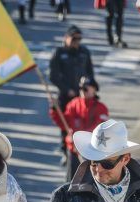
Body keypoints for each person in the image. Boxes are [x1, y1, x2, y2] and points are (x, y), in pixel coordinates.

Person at [49, 75, 110, 180]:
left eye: (86, 88)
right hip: (74, 151)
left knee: (91, 181)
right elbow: (64, 124)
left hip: (92, 152)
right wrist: (55, 109)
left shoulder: (101, 108)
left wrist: (82, 140)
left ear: (94, 89)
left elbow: (100, 129)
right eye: (81, 88)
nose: (83, 91)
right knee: (72, 181)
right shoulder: (73, 104)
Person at [48, 25, 94, 162]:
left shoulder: (84, 52)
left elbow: (90, 72)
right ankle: (65, 149)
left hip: (82, 96)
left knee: (83, 123)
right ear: (66, 38)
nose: (77, 42)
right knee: (65, 123)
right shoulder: (59, 53)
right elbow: (53, 76)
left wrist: (90, 89)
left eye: (79, 39)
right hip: (66, 95)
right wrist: (66, 89)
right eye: (74, 38)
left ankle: (82, 148)